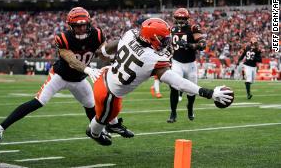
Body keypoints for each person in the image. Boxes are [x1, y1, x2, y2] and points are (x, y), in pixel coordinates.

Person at [0, 7, 133, 143]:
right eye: (78, 25)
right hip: (60, 76)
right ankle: (0, 127)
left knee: (92, 106)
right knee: (38, 101)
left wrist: (119, 49)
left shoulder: (97, 34)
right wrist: (88, 70)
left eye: (84, 24)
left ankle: (97, 133)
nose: (82, 28)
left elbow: (103, 54)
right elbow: (71, 60)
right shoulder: (63, 38)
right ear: (71, 25)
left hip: (79, 79)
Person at [86, 18, 233, 146]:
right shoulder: (151, 59)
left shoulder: (130, 34)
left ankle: (114, 125)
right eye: (163, 38)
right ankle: (95, 134)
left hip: (105, 74)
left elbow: (116, 44)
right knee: (101, 119)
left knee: (114, 110)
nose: (166, 41)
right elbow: (179, 82)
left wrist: (103, 52)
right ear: (152, 38)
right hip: (108, 94)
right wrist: (207, 92)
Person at [167, 8, 206, 123]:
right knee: (174, 86)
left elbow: (203, 45)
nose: (180, 20)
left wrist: (188, 45)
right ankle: (173, 112)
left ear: (187, 18)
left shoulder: (193, 28)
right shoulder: (171, 29)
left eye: (182, 18)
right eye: (178, 18)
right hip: (177, 62)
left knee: (192, 90)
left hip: (190, 64)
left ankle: (190, 107)